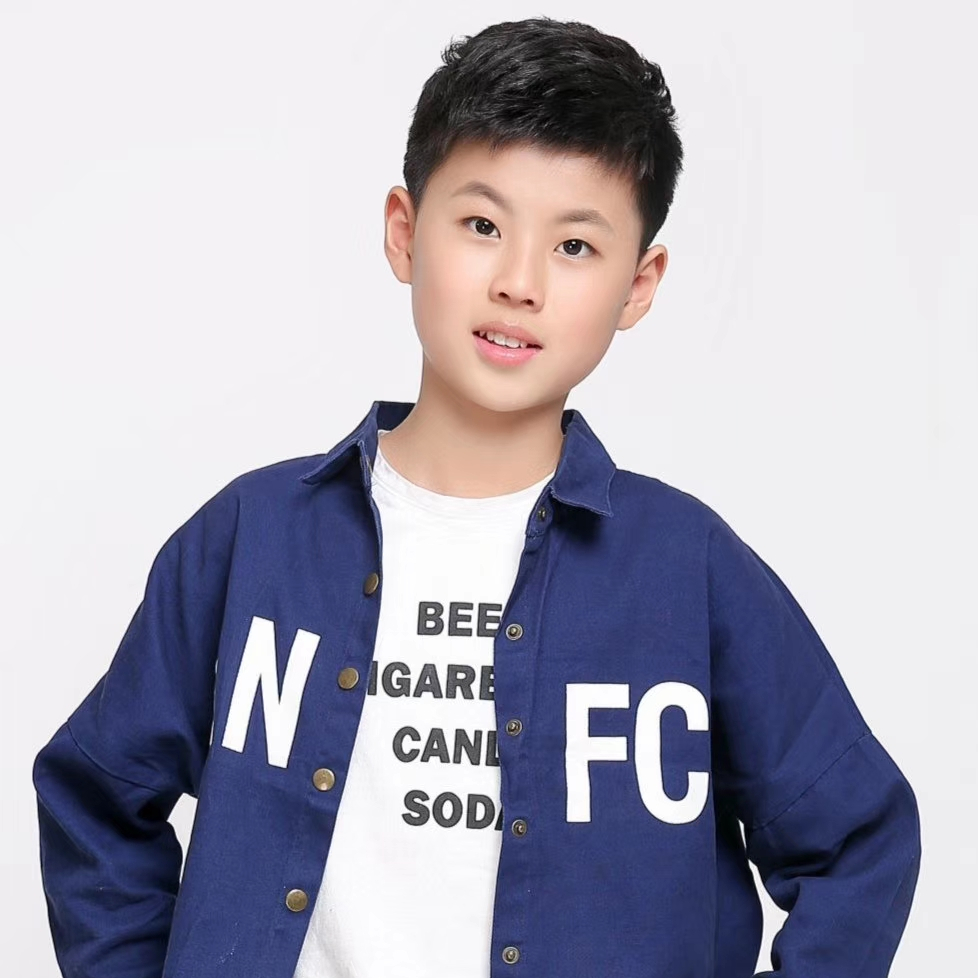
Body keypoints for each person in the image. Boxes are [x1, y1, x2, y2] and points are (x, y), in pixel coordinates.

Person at [32, 16, 921, 978]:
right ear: (404, 232)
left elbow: (857, 841)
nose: (519, 283)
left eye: (575, 245)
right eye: (483, 225)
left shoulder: (689, 570)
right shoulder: (250, 540)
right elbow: (95, 795)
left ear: (639, 285)